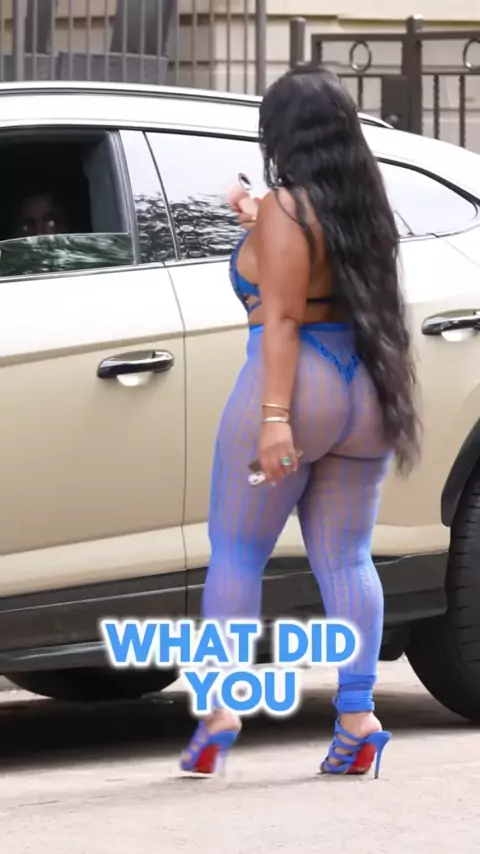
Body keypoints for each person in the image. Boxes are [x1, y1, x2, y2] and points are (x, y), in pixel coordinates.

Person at [180, 67, 420, 778]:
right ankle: (357, 719)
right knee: (347, 559)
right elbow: (314, 270)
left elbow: (282, 316)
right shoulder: (362, 204)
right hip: (365, 388)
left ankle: (219, 711)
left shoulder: (287, 207)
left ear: (281, 133)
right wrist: (256, 220)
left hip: (295, 385)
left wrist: (275, 420)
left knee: (237, 551)